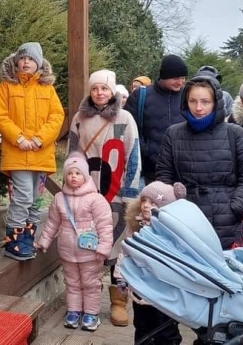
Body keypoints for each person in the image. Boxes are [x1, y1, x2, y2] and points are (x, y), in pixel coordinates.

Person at [67, 69, 141, 327]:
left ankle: (119, 302)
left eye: (105, 88)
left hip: (116, 193)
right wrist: (72, 182)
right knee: (88, 245)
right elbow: (72, 153)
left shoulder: (126, 118)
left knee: (118, 247)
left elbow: (133, 155)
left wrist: (130, 194)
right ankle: (89, 301)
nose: (100, 93)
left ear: (112, 91)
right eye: (95, 88)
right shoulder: (79, 118)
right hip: (87, 192)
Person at [155, 74, 243, 249]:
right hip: (186, 218)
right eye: (193, 101)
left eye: (205, 101)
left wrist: (236, 208)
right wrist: (173, 209)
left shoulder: (234, 133)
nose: (198, 107)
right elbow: (164, 176)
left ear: (215, 103)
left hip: (227, 220)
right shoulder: (173, 134)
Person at [0, 42, 65, 262]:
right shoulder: (6, 86)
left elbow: (56, 117)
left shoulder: (47, 89)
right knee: (22, 197)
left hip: (40, 155)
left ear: (39, 64)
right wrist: (19, 138)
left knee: (35, 200)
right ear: (16, 61)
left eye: (31, 59)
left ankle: (27, 237)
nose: (26, 63)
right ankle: (13, 240)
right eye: (23, 58)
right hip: (17, 154)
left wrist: (39, 139)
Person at [36, 152, 113, 333]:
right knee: (71, 282)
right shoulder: (59, 199)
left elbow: (105, 225)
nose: (73, 177)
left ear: (85, 176)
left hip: (90, 252)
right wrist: (44, 241)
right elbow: (52, 223)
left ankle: (91, 313)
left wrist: (104, 247)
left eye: (78, 173)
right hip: (67, 251)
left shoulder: (96, 199)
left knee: (90, 283)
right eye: (70, 173)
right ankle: (74, 311)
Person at [115, 181, 187, 345]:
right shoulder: (135, 226)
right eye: (144, 200)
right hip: (140, 289)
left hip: (165, 293)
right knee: (142, 328)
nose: (146, 205)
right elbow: (124, 253)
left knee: (166, 331)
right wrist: (121, 276)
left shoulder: (172, 232)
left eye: (153, 202)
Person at [124, 54, 189, 184]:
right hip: (150, 171)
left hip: (182, 169)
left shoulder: (188, 96)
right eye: (176, 78)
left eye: (183, 78)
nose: (180, 82)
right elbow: (129, 128)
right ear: (164, 76)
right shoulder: (140, 96)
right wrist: (146, 151)